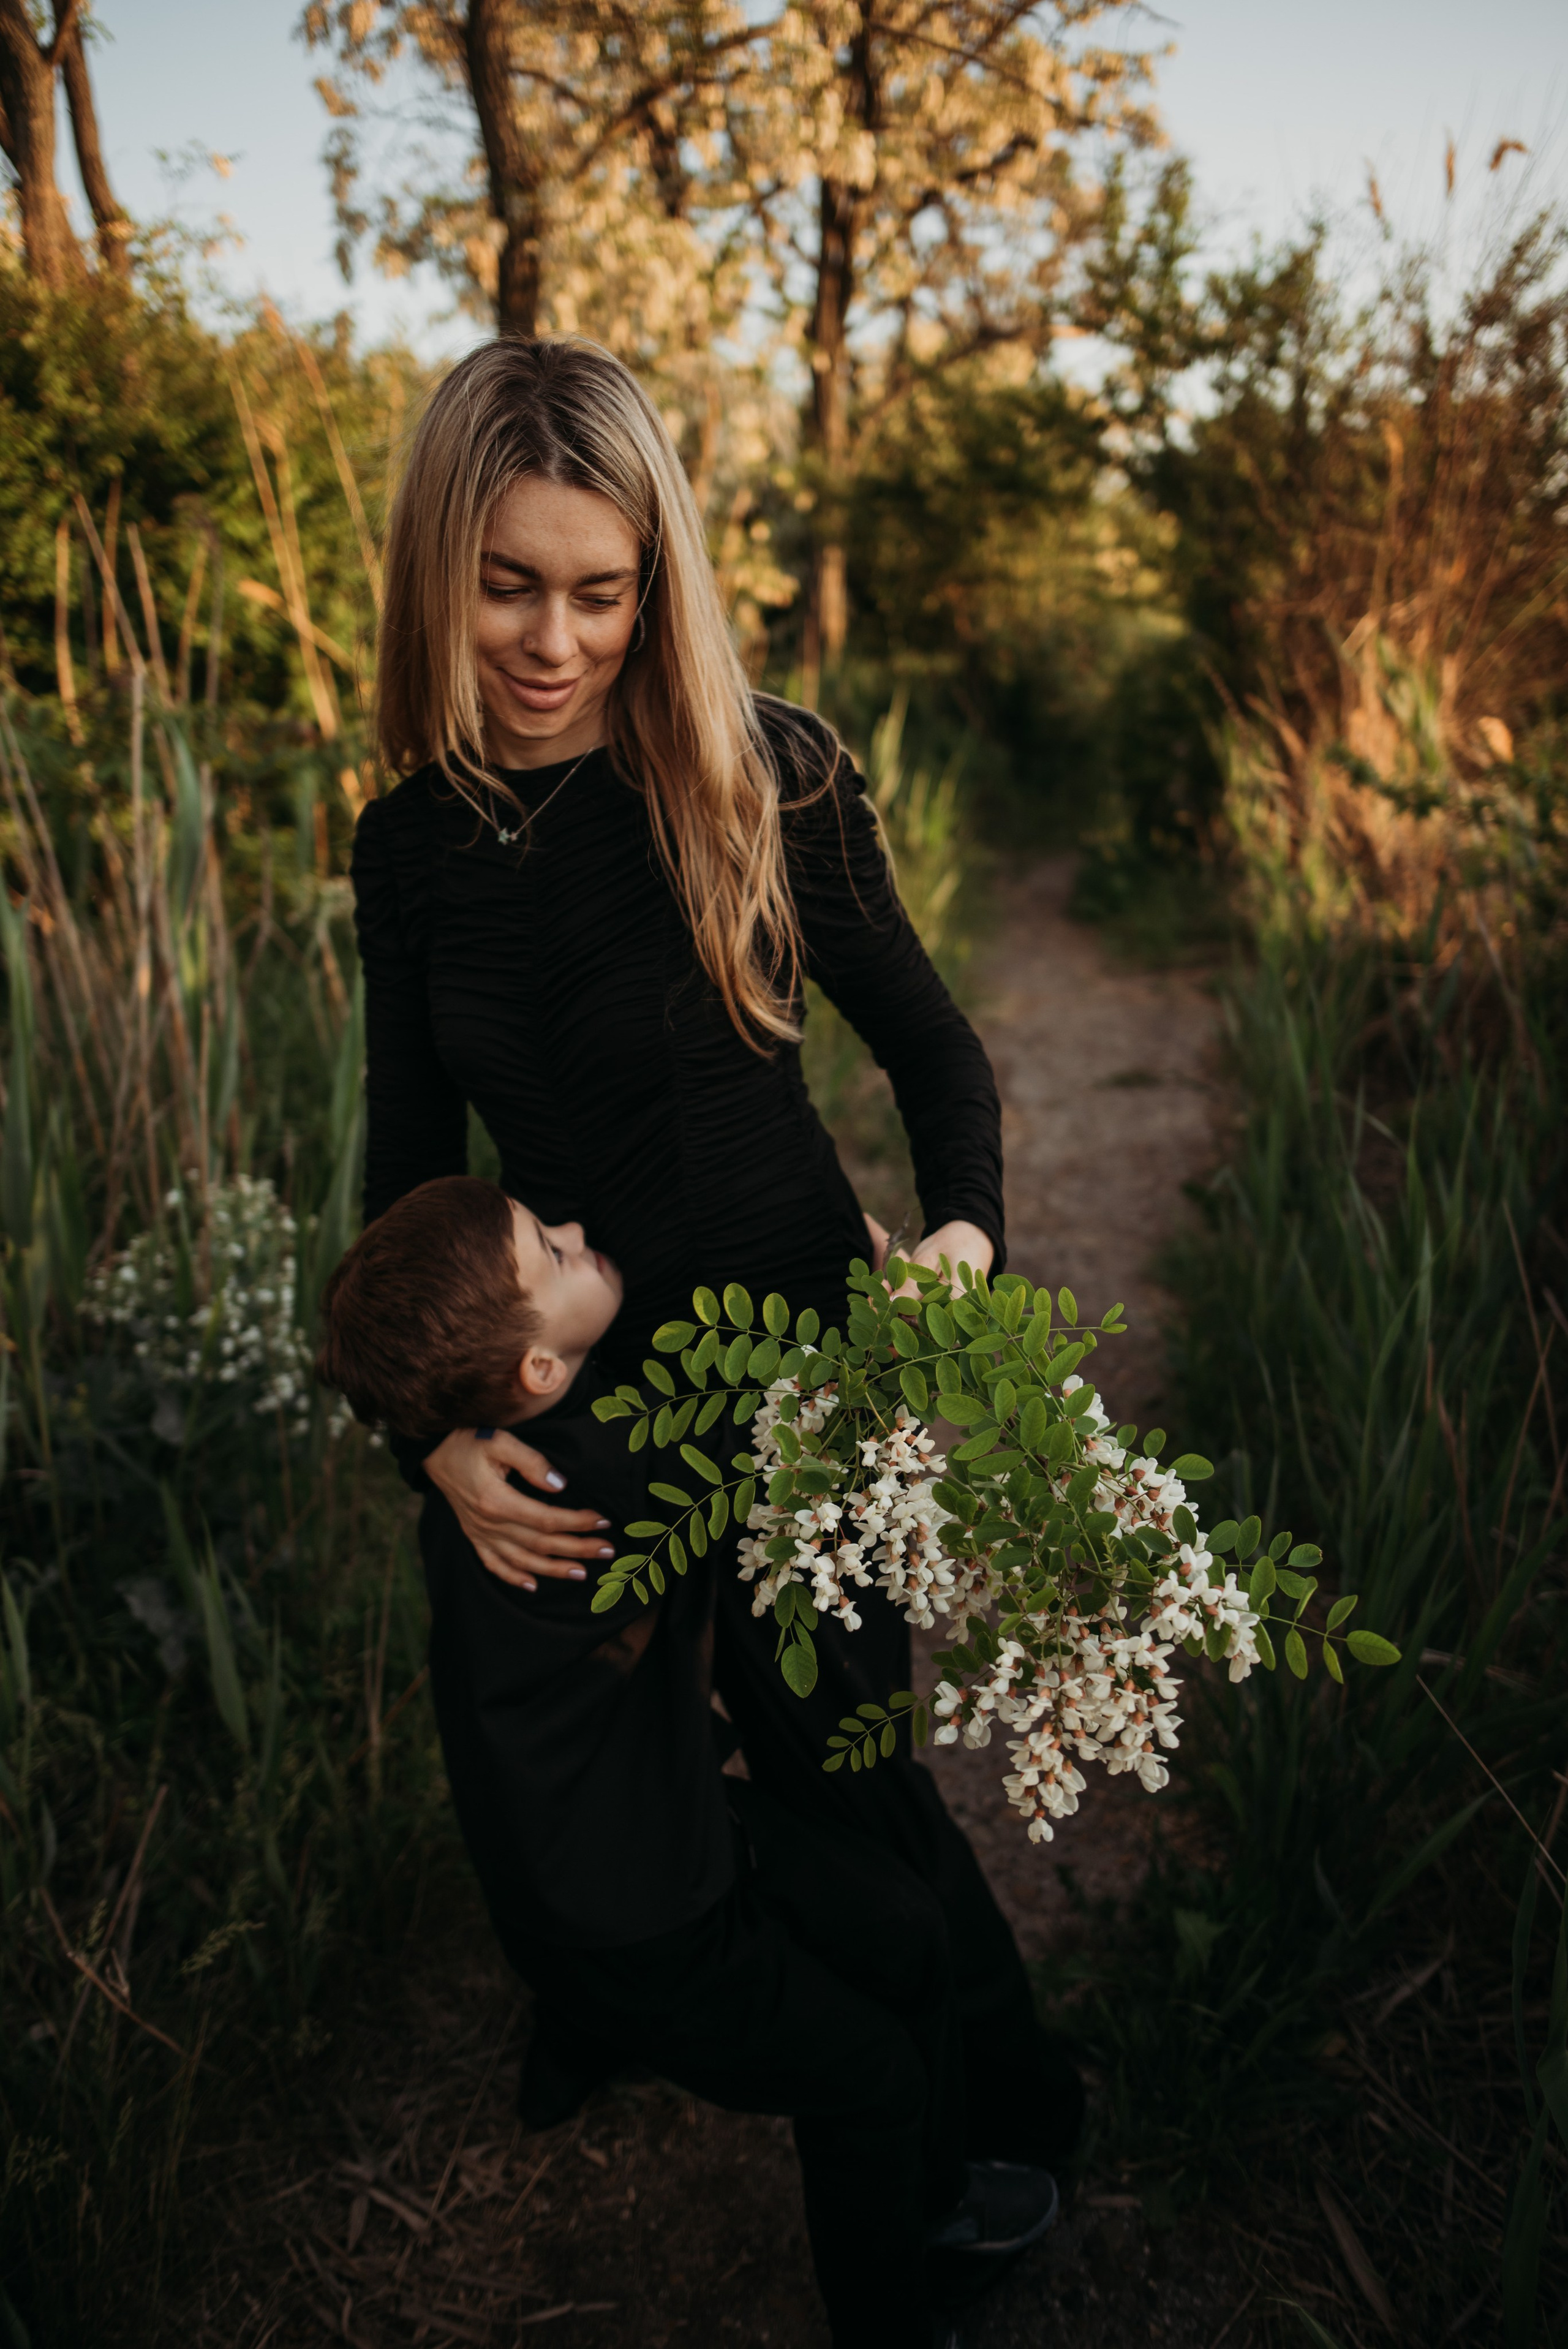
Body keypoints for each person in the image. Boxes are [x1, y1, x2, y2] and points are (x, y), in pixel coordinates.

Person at [351, 333, 1084, 2189]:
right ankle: (606, 1998)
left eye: (602, 592)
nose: (552, 640)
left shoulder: (757, 773)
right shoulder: (413, 840)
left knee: (842, 1772)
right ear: (441, 562)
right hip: (586, 1401)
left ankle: (997, 2124)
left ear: (654, 579)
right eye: (508, 584)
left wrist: (962, 1241)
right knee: (589, 1794)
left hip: (809, 1382)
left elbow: (932, 1047)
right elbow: (406, 1177)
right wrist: (425, 1441)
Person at [315, 1172, 1059, 2347]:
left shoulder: (488, 1472)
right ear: (540, 1375)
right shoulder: (609, 1470)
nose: (578, 1233)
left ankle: (928, 2192)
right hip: (639, 1919)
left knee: (904, 1927)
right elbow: (809, 1411)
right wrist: (865, 1258)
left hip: (653, 1840)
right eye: (553, 1252)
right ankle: (902, 2303)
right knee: (868, 2077)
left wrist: (431, 1439)